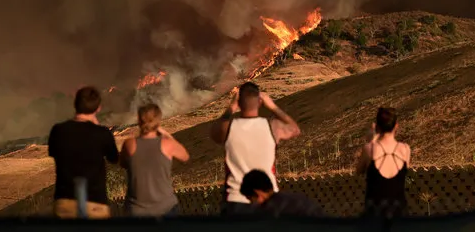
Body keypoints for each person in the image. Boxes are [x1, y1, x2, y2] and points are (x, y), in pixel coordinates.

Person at [210, 82, 301, 215]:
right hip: (268, 198)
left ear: (239, 104)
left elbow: (214, 133)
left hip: (236, 198)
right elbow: (295, 129)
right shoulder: (272, 127)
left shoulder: (228, 128)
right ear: (259, 102)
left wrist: (231, 107)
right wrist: (272, 106)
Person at [48, 86, 119, 218]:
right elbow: (114, 158)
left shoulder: (58, 131)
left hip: (65, 203)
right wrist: (97, 128)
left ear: (75, 104)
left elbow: (53, 153)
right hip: (96, 204)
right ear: (98, 108)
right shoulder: (102, 133)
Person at [119, 103, 190, 217]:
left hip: (136, 210)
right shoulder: (167, 144)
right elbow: (185, 156)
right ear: (158, 120)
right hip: (166, 209)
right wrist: (165, 133)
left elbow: (122, 164)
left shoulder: (130, 144)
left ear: (139, 120)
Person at [356, 107, 411, 218]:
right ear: (396, 126)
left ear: (377, 127)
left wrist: (372, 140)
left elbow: (358, 171)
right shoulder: (405, 149)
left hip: (374, 215)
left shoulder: (369, 149)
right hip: (399, 213)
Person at [240, 169, 324, 217]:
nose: (252, 204)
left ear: (258, 193)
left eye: (251, 199)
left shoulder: (271, 211)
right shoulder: (300, 199)